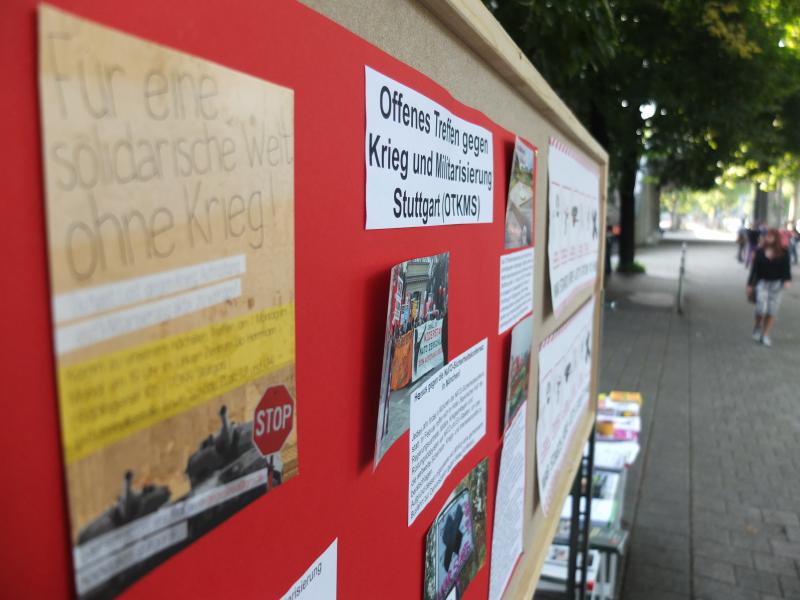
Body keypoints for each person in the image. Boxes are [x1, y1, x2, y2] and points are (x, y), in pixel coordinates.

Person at [747, 228, 792, 347]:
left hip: (777, 284)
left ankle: (765, 334)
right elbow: (754, 270)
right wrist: (750, 285)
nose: (768, 238)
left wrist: (787, 279)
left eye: (771, 236)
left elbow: (787, 268)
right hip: (762, 283)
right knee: (761, 308)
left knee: (772, 310)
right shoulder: (760, 251)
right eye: (767, 235)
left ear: (776, 237)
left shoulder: (783, 251)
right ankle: (757, 326)